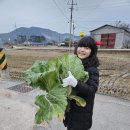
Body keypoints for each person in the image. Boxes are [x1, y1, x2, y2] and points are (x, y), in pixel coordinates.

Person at [62, 36, 100, 130]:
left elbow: (92, 89)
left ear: (92, 51)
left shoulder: (92, 69)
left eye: (87, 48)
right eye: (81, 46)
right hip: (70, 111)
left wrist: (76, 83)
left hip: (82, 115)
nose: (82, 50)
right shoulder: (72, 64)